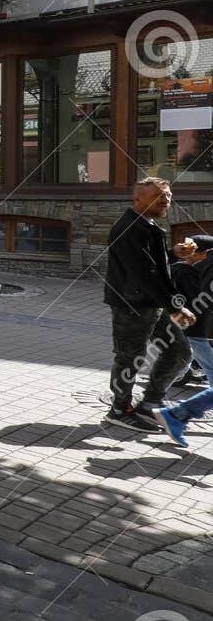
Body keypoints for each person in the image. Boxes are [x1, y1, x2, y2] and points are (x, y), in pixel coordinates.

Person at [104, 177, 192, 432]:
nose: (166, 201)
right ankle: (119, 409)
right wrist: (175, 307)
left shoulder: (146, 224)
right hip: (132, 305)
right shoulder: (129, 228)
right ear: (137, 199)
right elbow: (146, 274)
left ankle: (150, 401)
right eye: (159, 196)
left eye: (168, 196)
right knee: (130, 358)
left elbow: (152, 264)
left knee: (180, 352)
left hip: (153, 303)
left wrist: (172, 253)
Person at [153, 234, 213, 445]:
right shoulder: (189, 273)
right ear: (199, 254)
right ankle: (174, 413)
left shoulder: (186, 270)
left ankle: (174, 413)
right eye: (208, 254)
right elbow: (198, 301)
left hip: (197, 330)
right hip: (199, 330)